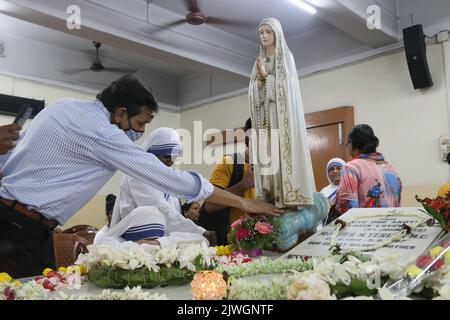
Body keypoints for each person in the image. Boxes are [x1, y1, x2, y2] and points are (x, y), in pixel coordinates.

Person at [0, 75, 282, 278]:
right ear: (120, 113)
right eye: (140, 123)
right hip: (18, 229)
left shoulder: (64, 107)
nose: (140, 132)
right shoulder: (102, 132)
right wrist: (243, 202)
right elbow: (169, 178)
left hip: (24, 223)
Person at [249, 17, 315, 209]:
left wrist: (267, 78)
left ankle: (287, 197)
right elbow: (253, 91)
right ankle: (272, 195)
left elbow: (288, 88)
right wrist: (260, 81)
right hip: (265, 119)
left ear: (277, 34)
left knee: (281, 150)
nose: (264, 36)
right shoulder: (259, 61)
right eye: (261, 32)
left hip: (280, 116)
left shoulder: (285, 57)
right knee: (269, 153)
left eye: (268, 32)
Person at [103, 127, 209, 247]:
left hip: (163, 244)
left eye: (174, 157)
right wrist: (199, 231)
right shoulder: (138, 174)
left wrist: (197, 233)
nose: (170, 162)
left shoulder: (167, 177)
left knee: (199, 242)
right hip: (136, 243)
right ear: (152, 154)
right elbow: (162, 209)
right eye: (166, 157)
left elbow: (173, 216)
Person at [198, 118, 256, 245]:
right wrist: (244, 185)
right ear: (248, 138)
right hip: (232, 243)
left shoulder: (275, 167)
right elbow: (210, 205)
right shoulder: (230, 163)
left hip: (264, 241)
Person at [334, 124, 402, 216]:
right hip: (392, 228)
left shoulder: (351, 168)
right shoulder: (391, 168)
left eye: (347, 144)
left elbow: (347, 208)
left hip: (365, 228)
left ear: (352, 143)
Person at [319, 158, 345, 227]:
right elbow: (319, 216)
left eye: (339, 168)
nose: (335, 171)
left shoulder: (351, 188)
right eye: (332, 169)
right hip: (329, 229)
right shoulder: (324, 191)